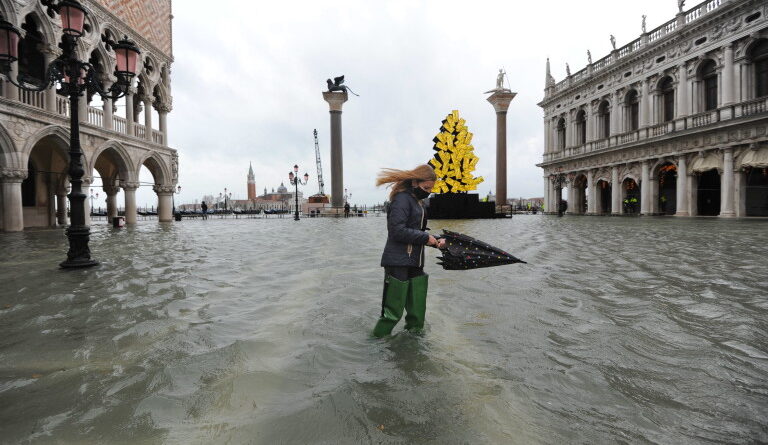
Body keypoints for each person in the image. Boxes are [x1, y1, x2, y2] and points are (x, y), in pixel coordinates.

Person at [372, 164, 445, 337]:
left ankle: (414, 349)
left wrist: (434, 240)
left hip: (415, 262)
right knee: (392, 314)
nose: (428, 192)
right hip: (397, 262)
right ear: (414, 182)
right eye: (426, 188)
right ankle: (376, 348)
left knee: (417, 314)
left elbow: (416, 231)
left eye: (431, 189)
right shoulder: (401, 199)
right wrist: (426, 238)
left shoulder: (417, 202)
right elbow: (396, 230)